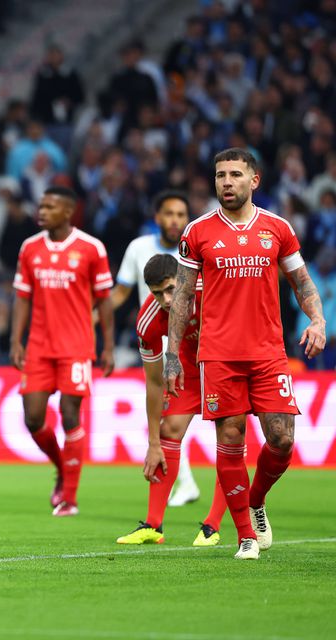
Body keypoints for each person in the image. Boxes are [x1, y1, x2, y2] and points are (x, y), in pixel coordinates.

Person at [166, 148, 327, 560]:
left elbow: (301, 280)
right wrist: (172, 354)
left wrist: (317, 319)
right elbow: (182, 295)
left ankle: (256, 501)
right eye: (220, 175)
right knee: (231, 438)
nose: (227, 182)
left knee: (281, 440)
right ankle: (245, 537)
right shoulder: (198, 232)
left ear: (254, 180)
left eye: (235, 174)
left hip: (269, 352)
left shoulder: (277, 228)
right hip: (218, 354)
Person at [10, 186, 115, 516]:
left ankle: (69, 496)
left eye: (50, 207)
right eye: (40, 206)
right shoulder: (29, 248)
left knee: (70, 414)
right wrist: (16, 340)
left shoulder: (91, 249)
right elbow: (23, 297)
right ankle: (62, 467)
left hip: (76, 347)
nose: (41, 211)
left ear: (68, 212)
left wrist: (108, 345)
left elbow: (105, 300)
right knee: (33, 418)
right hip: (40, 347)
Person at [116, 254, 227, 546]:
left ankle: (212, 525)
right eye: (156, 293)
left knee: (229, 435)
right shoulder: (148, 321)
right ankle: (153, 525)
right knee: (169, 430)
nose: (165, 299)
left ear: (184, 280)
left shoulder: (211, 289)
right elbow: (153, 383)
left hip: (227, 364)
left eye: (170, 289)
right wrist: (152, 445)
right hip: (189, 370)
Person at [110, 190, 201, 507]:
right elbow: (120, 292)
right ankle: (184, 483)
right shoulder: (138, 248)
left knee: (185, 418)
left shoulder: (196, 250)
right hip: (154, 337)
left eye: (180, 214)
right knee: (168, 416)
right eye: (169, 213)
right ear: (157, 216)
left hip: (198, 343)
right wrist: (94, 315)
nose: (174, 220)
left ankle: (190, 486)